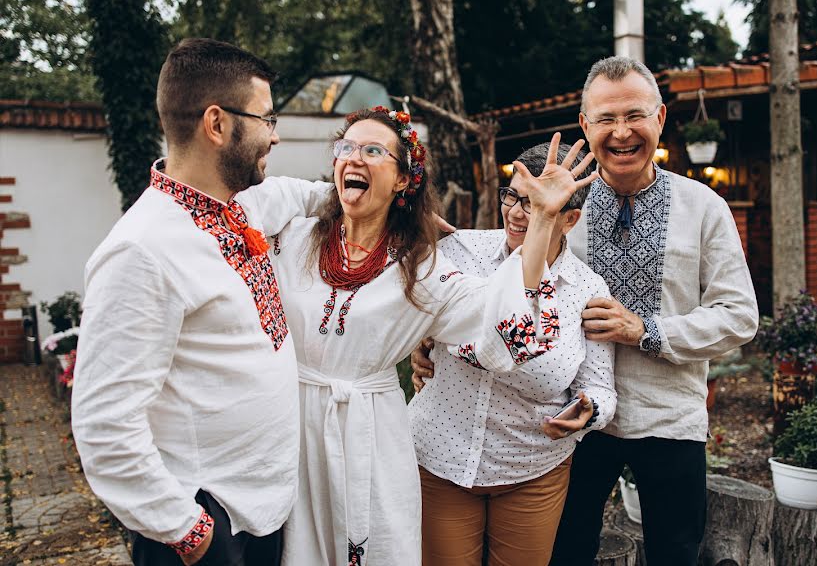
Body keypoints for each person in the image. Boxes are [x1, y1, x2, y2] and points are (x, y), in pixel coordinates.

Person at [236, 111, 598, 565]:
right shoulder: (293, 235)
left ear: (405, 179)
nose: (354, 158)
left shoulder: (419, 267)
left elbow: (506, 332)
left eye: (373, 151)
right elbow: (236, 201)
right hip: (292, 427)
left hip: (371, 433)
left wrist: (543, 220)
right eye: (345, 148)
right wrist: (334, 192)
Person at [71, 38, 306, 566]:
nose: (275, 134)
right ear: (217, 124)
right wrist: (189, 531)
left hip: (263, 514)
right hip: (204, 529)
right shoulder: (142, 249)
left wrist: (376, 206)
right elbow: (104, 424)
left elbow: (294, 194)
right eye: (267, 119)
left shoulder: (239, 205)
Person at [546, 56, 759, 565]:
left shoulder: (704, 206)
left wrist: (646, 329)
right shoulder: (556, 208)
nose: (621, 133)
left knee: (675, 554)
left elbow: (739, 314)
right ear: (585, 126)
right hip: (575, 418)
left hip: (671, 417)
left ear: (660, 119)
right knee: (564, 552)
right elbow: (511, 294)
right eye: (605, 119)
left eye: (635, 115)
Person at [407, 141, 617, 566]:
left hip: (531, 468)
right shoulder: (460, 252)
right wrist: (421, 343)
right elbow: (417, 313)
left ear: (571, 218)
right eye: (513, 196)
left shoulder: (586, 289)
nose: (519, 212)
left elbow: (600, 386)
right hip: (441, 456)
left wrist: (589, 410)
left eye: (538, 204)